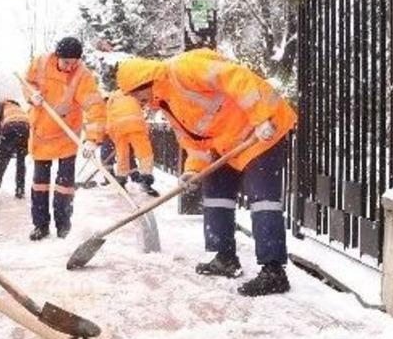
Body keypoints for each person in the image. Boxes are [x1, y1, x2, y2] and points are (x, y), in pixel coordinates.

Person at [116, 49, 297, 296]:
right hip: (229, 144)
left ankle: (274, 271)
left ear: (144, 83)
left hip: (263, 132)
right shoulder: (166, 103)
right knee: (216, 194)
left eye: (135, 95)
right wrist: (192, 170)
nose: (138, 102)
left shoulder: (184, 69)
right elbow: (194, 142)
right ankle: (225, 258)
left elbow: (237, 77)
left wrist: (262, 117)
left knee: (262, 198)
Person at [22, 37, 105, 240]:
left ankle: (63, 227)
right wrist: (32, 96)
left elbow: (94, 106)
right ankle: (40, 226)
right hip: (42, 133)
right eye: (66, 62)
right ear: (57, 56)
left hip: (67, 136)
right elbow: (27, 82)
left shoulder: (82, 75)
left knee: (65, 186)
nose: (69, 67)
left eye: (74, 63)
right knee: (40, 184)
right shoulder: (41, 63)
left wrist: (92, 138)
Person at [106, 89, 159, 196]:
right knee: (144, 153)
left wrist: (110, 133)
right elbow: (150, 102)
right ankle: (146, 180)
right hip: (135, 125)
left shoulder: (113, 96)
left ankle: (121, 180)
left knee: (122, 154)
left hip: (118, 127)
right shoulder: (135, 89)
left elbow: (108, 114)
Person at [0, 98, 30, 202]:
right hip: (26, 128)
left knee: (1, 162)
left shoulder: (0, 105)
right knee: (21, 161)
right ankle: (20, 190)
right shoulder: (17, 108)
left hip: (11, 127)